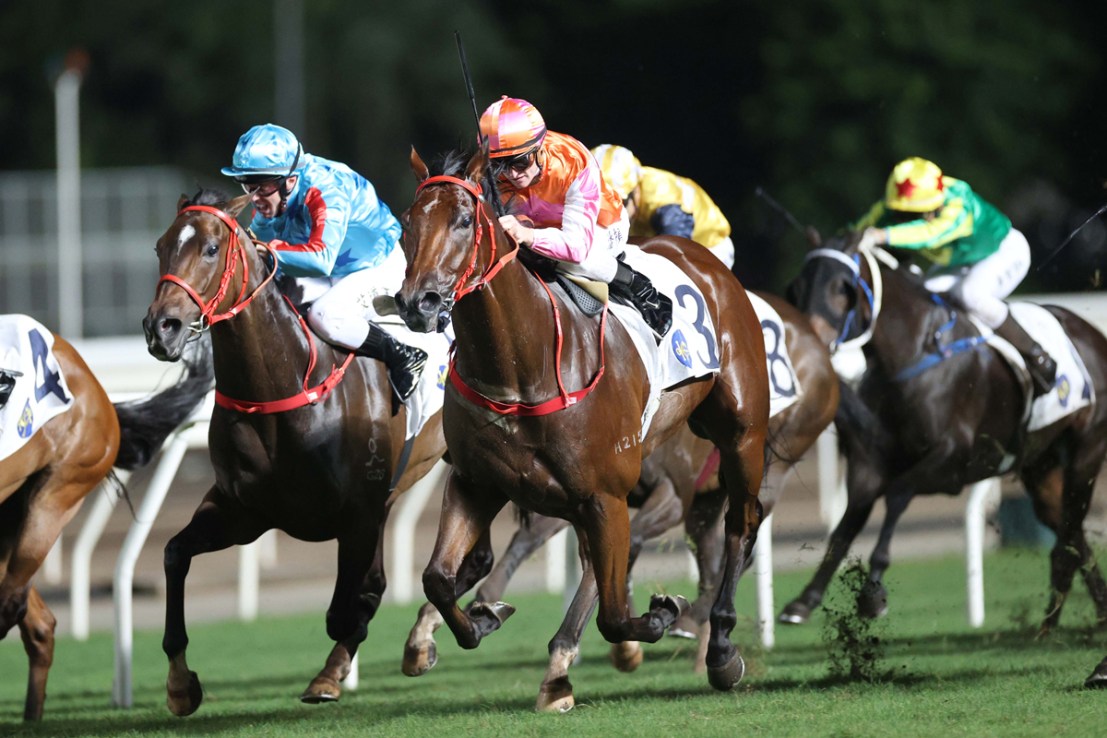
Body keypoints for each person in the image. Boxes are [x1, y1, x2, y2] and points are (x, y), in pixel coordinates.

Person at [220, 123, 426, 403]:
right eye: (248, 185)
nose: (254, 197)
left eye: (263, 186)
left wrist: (268, 251)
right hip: (333, 271)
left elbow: (320, 260)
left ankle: (404, 356)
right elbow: (256, 250)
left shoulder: (326, 187)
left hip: (376, 265)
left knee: (325, 315)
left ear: (289, 180)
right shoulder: (273, 199)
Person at [854, 156, 1056, 396]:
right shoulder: (895, 205)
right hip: (960, 262)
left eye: (916, 215)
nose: (905, 220)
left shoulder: (959, 202)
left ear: (934, 205)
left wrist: (881, 236)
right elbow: (855, 231)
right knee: (922, 299)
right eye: (902, 214)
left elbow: (930, 233)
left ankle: (1036, 354)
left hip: (1003, 252)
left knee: (971, 295)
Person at [478, 96, 672, 336]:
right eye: (499, 165)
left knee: (569, 259)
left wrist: (526, 234)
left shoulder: (572, 162)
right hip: (541, 227)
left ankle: (638, 286)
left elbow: (575, 247)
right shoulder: (494, 174)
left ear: (539, 148)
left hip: (602, 225)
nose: (511, 174)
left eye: (520, 162)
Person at [590, 144, 735, 270]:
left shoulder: (662, 198)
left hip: (710, 246)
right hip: (658, 236)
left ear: (635, 191)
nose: (610, 211)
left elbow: (676, 252)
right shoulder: (631, 187)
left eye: (619, 202)